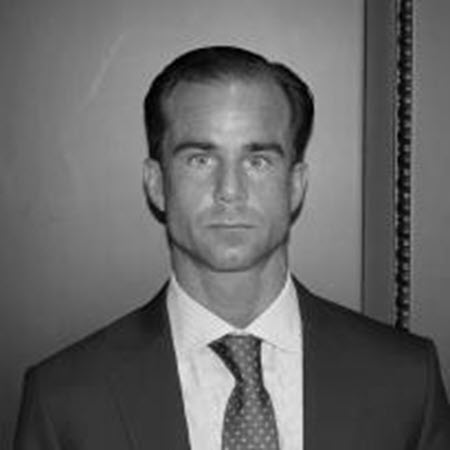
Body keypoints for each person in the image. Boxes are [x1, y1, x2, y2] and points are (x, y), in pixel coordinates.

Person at [14, 45, 450, 450]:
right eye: (200, 159)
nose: (229, 190)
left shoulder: (408, 381)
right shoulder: (64, 399)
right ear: (157, 184)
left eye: (257, 161)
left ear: (296, 185)